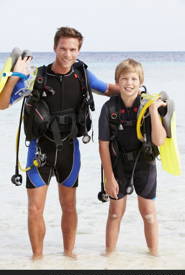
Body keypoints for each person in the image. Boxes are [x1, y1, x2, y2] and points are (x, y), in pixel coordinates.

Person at [0, 27, 119, 260]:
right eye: (62, 48)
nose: (67, 54)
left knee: (69, 206)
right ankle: (37, 260)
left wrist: (140, 95)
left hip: (69, 152)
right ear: (54, 47)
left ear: (79, 50)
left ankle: (68, 257)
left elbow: (109, 90)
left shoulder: (83, 75)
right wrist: (16, 74)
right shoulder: (37, 77)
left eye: (72, 49)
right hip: (39, 151)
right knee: (35, 209)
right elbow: (2, 103)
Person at [98, 58, 167, 256]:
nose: (129, 83)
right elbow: (103, 145)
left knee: (148, 215)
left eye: (134, 79)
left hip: (145, 164)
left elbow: (159, 141)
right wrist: (109, 178)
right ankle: (109, 258)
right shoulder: (109, 108)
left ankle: (154, 258)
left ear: (140, 81)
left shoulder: (148, 104)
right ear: (117, 81)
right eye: (124, 78)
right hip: (118, 165)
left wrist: (153, 110)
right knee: (114, 213)